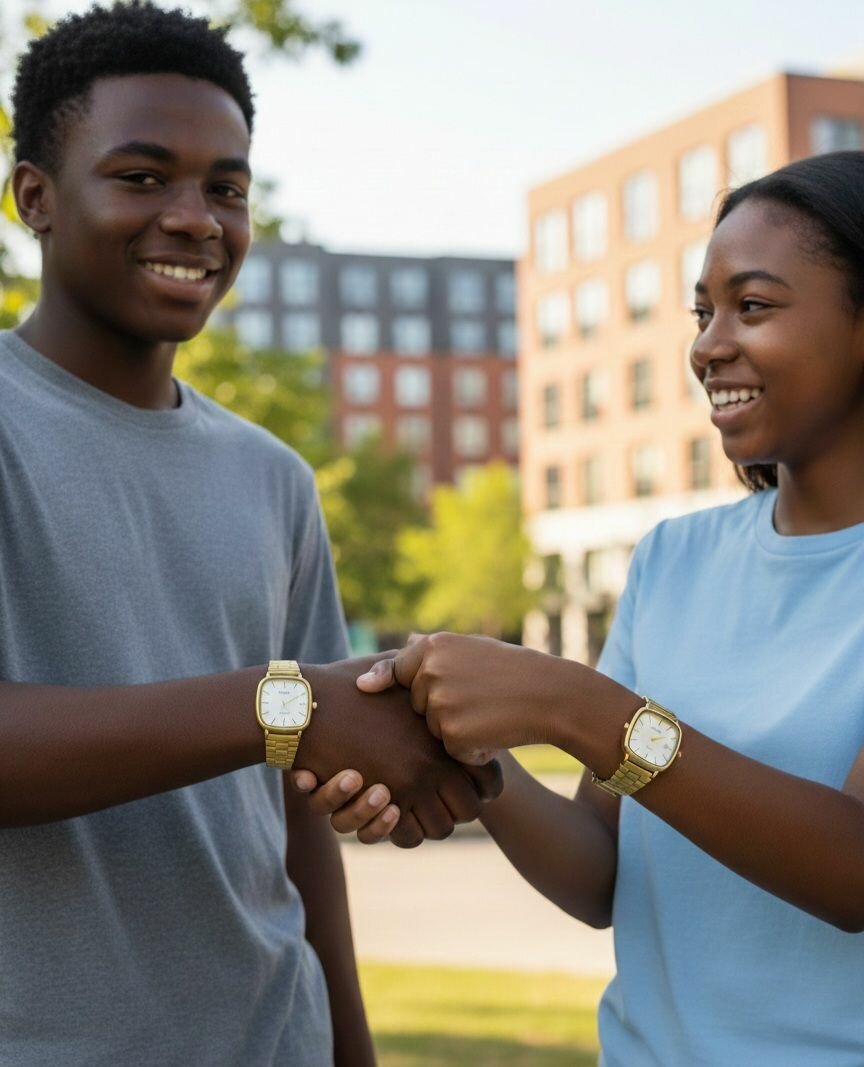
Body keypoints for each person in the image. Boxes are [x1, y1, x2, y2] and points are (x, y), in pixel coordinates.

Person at [0, 4, 500, 1065]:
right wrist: (285, 703)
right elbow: (291, 717)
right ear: (32, 196)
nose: (196, 219)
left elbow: (297, 802)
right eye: (143, 177)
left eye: (226, 189)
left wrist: (349, 1046)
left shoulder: (275, 477)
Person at [301, 151, 864, 1064]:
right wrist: (470, 756)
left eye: (753, 306)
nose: (707, 347)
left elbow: (853, 871)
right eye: (703, 313)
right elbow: (602, 870)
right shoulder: (674, 560)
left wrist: (575, 707)